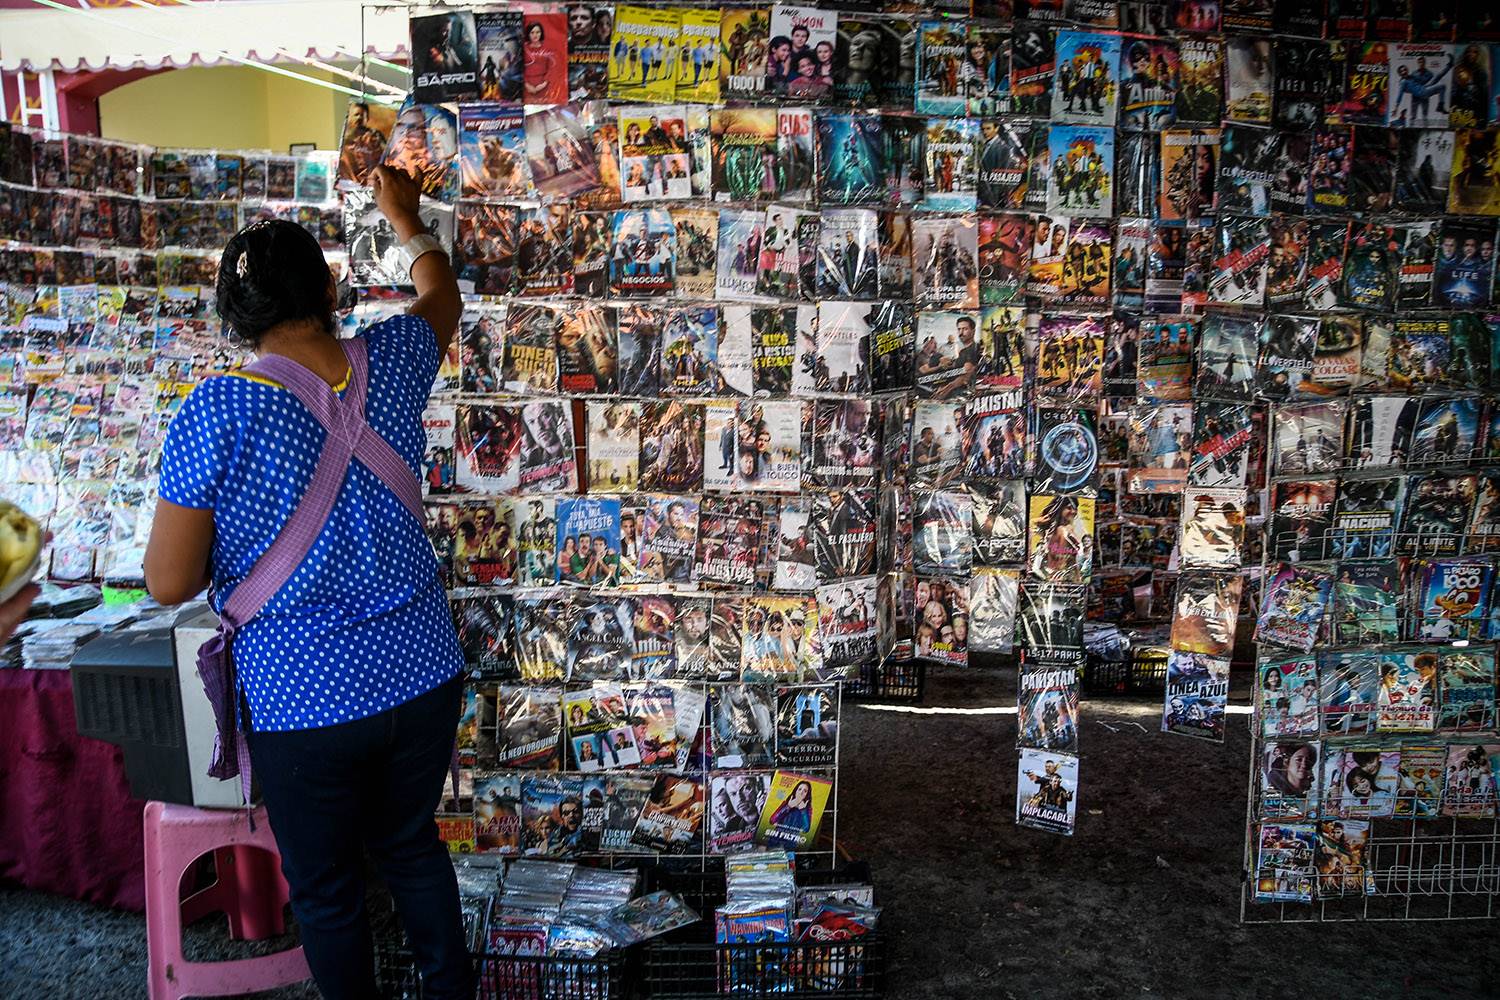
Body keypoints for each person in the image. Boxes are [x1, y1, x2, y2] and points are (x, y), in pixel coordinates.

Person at [143, 166, 469, 1000]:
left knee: (326, 893)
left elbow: (169, 582)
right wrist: (406, 216)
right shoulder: (395, 358)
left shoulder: (214, 411)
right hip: (421, 670)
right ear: (328, 288)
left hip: (303, 697)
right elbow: (442, 293)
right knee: (412, 850)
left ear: (233, 316)